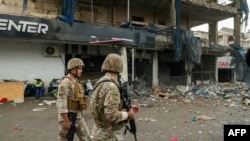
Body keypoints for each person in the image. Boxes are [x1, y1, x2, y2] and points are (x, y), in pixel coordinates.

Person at [90, 53, 139, 141]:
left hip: (98, 131)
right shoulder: (112, 86)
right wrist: (128, 114)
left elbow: (103, 106)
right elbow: (111, 115)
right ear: (119, 67)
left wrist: (127, 107)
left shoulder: (100, 82)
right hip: (109, 135)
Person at [56, 58, 91, 141]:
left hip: (78, 116)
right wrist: (66, 121)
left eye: (81, 68)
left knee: (87, 137)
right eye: (79, 68)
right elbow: (61, 102)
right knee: (64, 139)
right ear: (72, 69)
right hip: (68, 117)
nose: (81, 71)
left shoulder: (75, 81)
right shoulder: (65, 82)